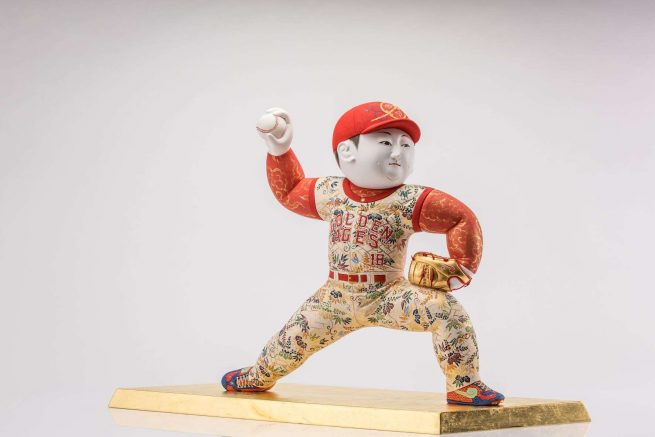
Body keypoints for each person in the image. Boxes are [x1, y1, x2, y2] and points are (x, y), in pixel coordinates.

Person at [221, 102, 504, 406]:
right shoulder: (330, 193)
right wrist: (280, 151)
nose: (398, 153)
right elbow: (289, 192)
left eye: (406, 145)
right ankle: (258, 375)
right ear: (347, 152)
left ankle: (464, 385)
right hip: (335, 298)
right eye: (385, 142)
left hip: (388, 295)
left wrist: (463, 268)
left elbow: (462, 219)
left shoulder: (410, 199)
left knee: (447, 311)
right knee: (289, 342)